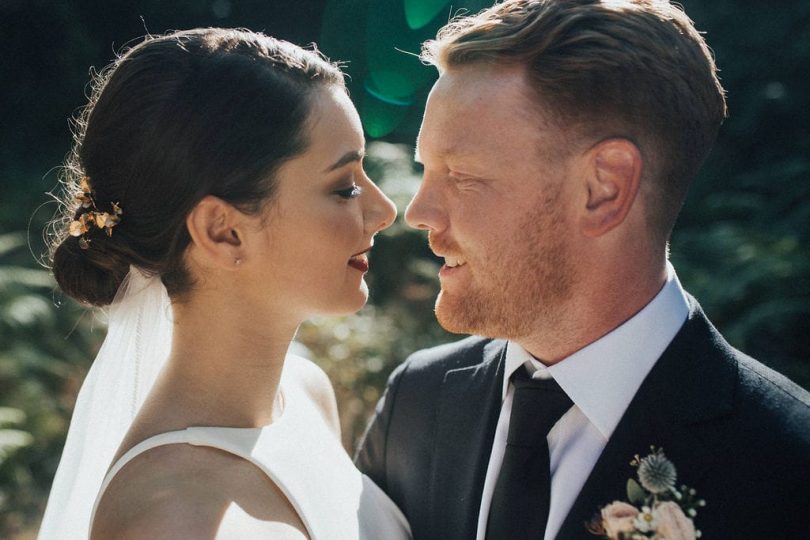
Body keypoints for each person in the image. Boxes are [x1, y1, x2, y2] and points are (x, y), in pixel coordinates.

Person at [355, 1, 810, 538]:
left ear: (604, 189)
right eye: (425, 169)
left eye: (462, 175)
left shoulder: (788, 465)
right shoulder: (417, 401)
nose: (417, 213)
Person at [38, 28, 411, 539]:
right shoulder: (169, 519)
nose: (385, 211)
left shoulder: (307, 395)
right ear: (223, 231)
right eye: (344, 187)